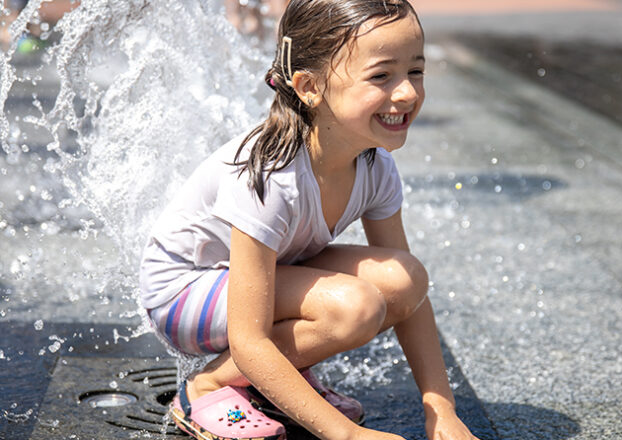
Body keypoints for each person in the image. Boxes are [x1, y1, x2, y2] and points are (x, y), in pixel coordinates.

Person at [138, 1, 480, 439]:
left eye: (416, 71)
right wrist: (348, 434)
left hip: (257, 281)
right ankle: (206, 386)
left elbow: (410, 300)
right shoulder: (271, 177)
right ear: (309, 87)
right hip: (185, 293)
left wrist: (442, 411)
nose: (408, 93)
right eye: (381, 76)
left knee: (405, 277)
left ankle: (264, 387)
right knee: (354, 308)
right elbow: (250, 337)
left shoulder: (374, 166)